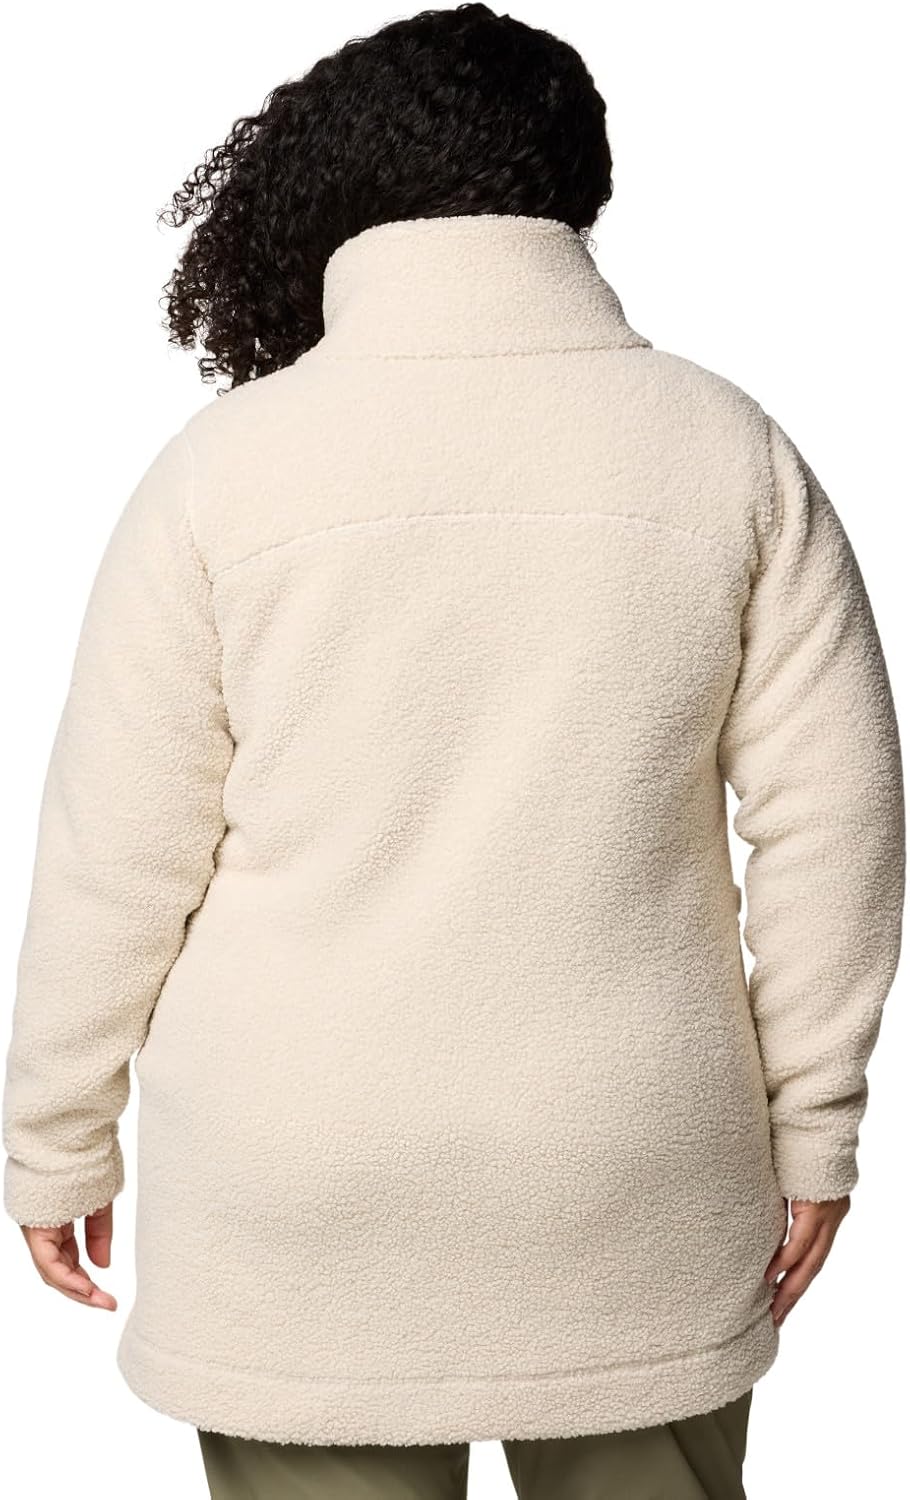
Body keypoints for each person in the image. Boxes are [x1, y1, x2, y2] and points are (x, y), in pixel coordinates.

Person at [3, 5, 904, 1498]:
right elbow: (835, 826)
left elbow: (117, 858)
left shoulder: (224, 471)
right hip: (629, 1173)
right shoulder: (723, 446)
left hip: (296, 1181)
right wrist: (813, 1125)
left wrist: (55, 1141)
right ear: (575, 187)